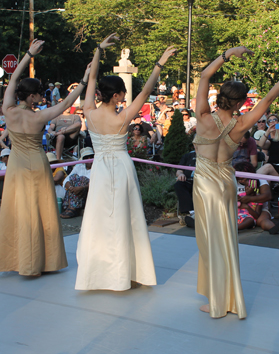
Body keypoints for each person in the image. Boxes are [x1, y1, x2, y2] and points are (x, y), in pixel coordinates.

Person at [193, 45, 279, 319]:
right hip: (225, 181)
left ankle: (217, 299)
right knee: (225, 239)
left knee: (209, 241)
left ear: (222, 96)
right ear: (238, 103)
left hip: (204, 182)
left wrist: (226, 55)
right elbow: (268, 101)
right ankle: (224, 296)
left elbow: (203, 76)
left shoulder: (202, 116)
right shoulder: (241, 124)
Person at [75, 33, 176, 291]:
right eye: (122, 94)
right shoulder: (124, 117)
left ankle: (100, 274)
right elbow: (146, 90)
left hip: (100, 167)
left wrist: (98, 50)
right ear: (119, 95)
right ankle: (129, 272)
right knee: (126, 218)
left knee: (100, 219)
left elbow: (92, 79)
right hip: (121, 166)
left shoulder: (89, 112)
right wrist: (159, 63)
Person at [0, 39, 91, 276]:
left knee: (18, 210)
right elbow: (68, 102)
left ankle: (20, 261)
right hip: (37, 163)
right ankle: (42, 261)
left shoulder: (8, 110)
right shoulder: (40, 116)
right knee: (41, 211)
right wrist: (85, 80)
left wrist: (28, 54)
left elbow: (13, 78)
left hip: (16, 164)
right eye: (38, 94)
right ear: (34, 96)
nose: (40, 97)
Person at [60, 147, 93, 218]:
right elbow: (66, 180)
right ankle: (70, 206)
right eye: (87, 158)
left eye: (91, 157)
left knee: (82, 179)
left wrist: (82, 187)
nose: (89, 160)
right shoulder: (79, 167)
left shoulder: (96, 168)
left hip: (87, 193)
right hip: (74, 192)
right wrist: (72, 188)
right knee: (73, 177)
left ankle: (72, 208)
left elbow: (96, 183)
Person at [175, 150, 197, 226]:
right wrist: (181, 174)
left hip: (203, 183)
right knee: (179, 184)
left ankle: (193, 218)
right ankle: (192, 213)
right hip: (188, 180)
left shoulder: (209, 155)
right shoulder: (188, 156)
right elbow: (178, 171)